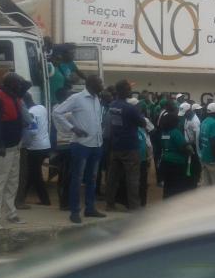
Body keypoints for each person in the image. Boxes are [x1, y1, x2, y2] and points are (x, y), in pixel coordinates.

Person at [53, 75, 106, 224]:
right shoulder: (77, 98)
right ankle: (74, 211)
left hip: (96, 144)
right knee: (77, 179)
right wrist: (73, 128)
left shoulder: (97, 98)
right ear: (91, 83)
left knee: (92, 179)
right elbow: (57, 112)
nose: (102, 84)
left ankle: (90, 208)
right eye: (100, 82)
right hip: (81, 145)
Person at [0, 73, 30, 230]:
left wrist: (19, 79)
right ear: (10, 84)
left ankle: (11, 214)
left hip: (14, 146)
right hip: (2, 148)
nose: (20, 86)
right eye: (17, 83)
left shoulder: (14, 94)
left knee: (12, 182)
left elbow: (28, 84)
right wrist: (0, 145)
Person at [105, 80, 147, 212]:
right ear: (123, 91)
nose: (130, 92)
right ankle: (134, 206)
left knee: (112, 178)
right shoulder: (130, 108)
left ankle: (110, 204)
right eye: (129, 89)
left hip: (116, 145)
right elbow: (143, 123)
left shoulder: (112, 105)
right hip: (130, 147)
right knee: (132, 178)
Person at [16, 92, 51, 206]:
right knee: (31, 173)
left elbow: (32, 131)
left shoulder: (30, 112)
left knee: (35, 175)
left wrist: (23, 144)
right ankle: (21, 197)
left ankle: (45, 200)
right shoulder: (42, 108)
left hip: (34, 147)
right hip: (45, 145)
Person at [160, 112, 194, 198]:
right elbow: (183, 147)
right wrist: (190, 150)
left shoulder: (164, 132)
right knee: (178, 186)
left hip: (165, 161)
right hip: (177, 163)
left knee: (167, 184)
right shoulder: (175, 132)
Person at [199, 102, 215, 185]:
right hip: (213, 161)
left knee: (206, 186)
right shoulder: (214, 123)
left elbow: (200, 140)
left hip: (204, 158)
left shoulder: (204, 122)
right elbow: (213, 144)